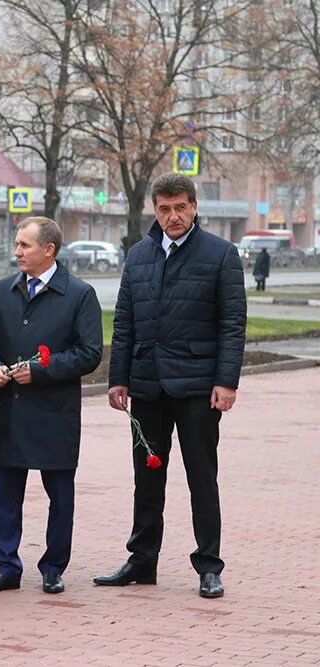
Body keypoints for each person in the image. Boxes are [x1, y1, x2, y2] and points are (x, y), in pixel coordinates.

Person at [95, 173, 246, 599]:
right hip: (147, 387)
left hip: (199, 388)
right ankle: (142, 561)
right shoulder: (139, 255)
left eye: (180, 207)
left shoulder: (220, 254)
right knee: (146, 478)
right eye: (164, 208)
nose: (172, 216)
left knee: (202, 477)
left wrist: (226, 382)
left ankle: (209, 567)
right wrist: (118, 378)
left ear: (194, 206)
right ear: (154, 209)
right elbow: (124, 321)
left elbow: (233, 324)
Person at [0, 217, 102, 595]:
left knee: (60, 497)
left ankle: (53, 567)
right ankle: (5, 566)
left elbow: (90, 353)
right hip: (7, 411)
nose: (16, 252)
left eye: (24, 246)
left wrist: (41, 370)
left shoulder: (79, 294)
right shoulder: (2, 291)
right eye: (16, 244)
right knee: (3, 496)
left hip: (53, 413)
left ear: (49, 250)